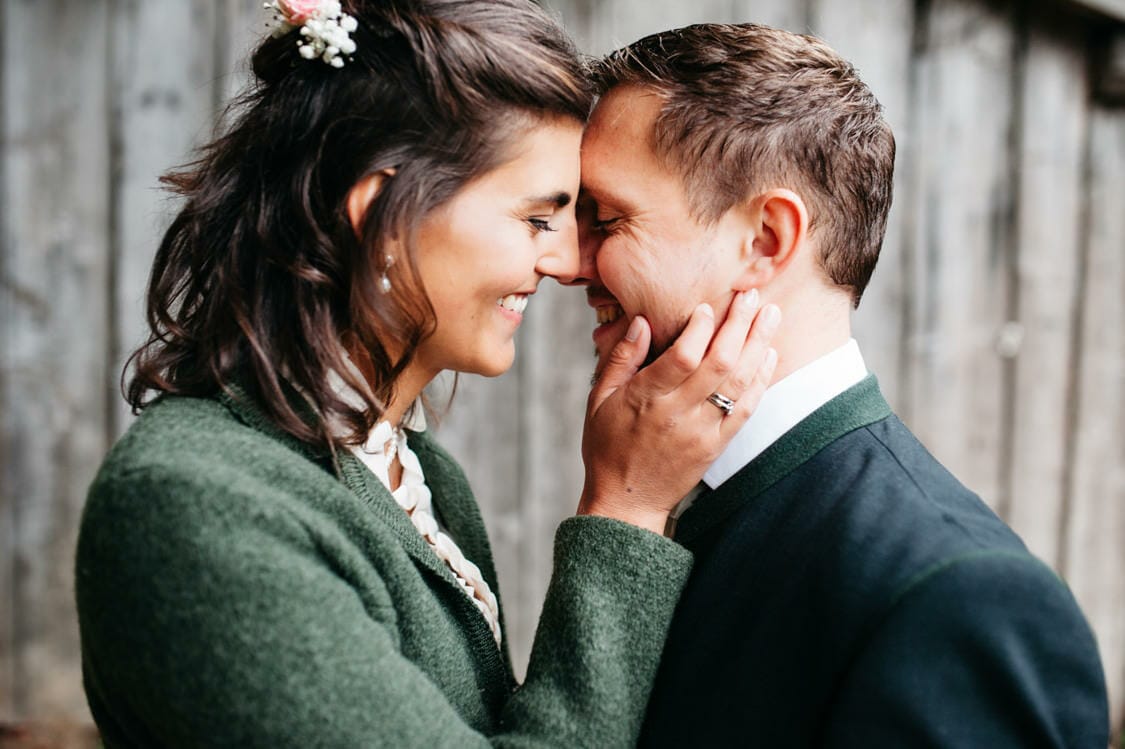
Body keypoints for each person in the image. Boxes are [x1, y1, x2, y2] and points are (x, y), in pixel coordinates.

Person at [74, 3, 781, 746]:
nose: (571, 263)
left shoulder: (420, 475)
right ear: (382, 213)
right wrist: (626, 508)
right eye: (538, 219)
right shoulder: (198, 504)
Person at [578, 22, 1110, 747]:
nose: (570, 263)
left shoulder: (960, 598)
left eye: (606, 219)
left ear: (765, 240)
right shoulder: (678, 493)